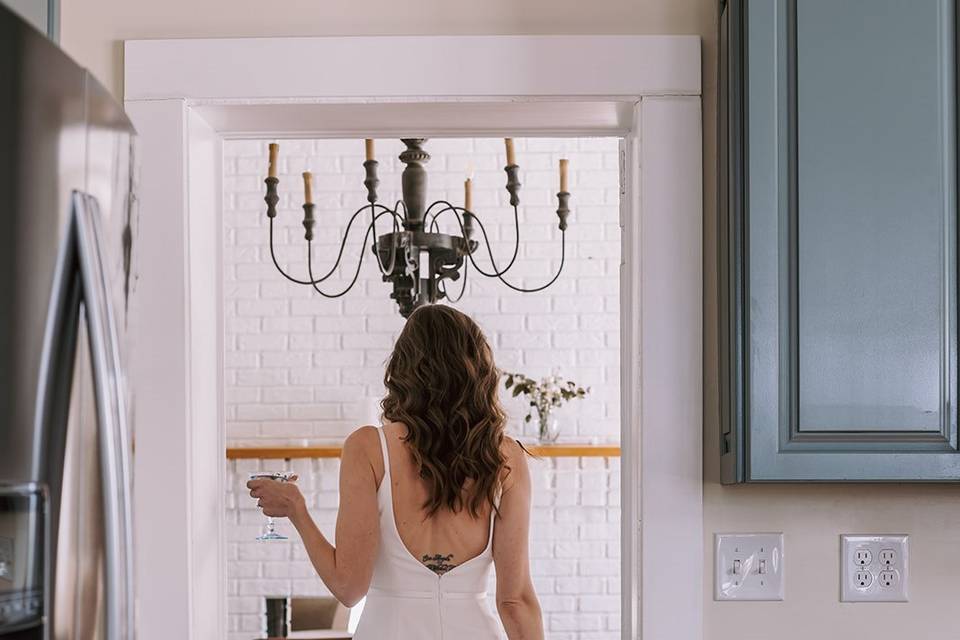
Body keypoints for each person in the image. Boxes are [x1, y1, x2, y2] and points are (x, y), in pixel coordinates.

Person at [248, 304, 544, 639]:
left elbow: (349, 588)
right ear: (479, 371)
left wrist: (296, 510)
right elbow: (515, 601)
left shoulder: (368, 447)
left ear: (403, 370)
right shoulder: (507, 456)